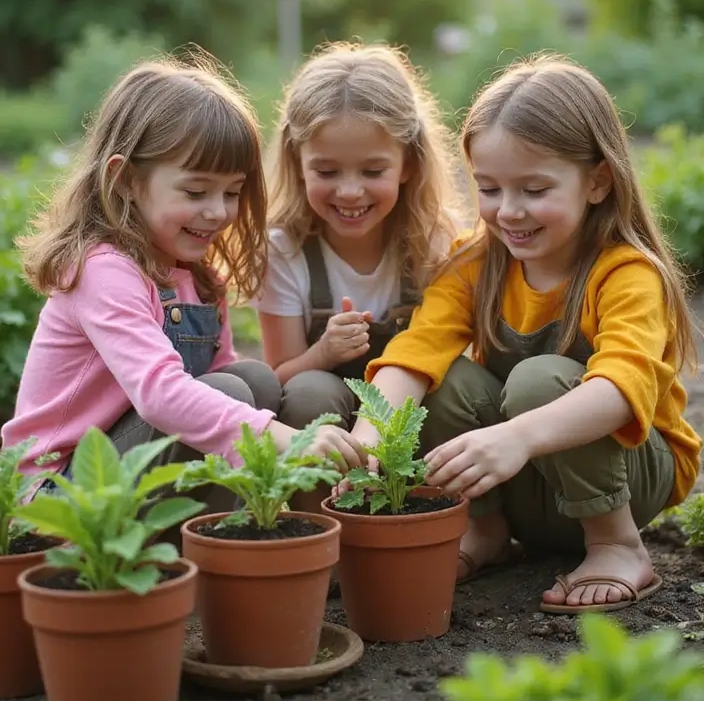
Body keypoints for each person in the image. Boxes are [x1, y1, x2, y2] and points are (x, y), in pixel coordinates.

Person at [351, 56, 702, 612]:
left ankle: (616, 545)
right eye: (489, 188)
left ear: (597, 182)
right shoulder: (475, 264)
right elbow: (417, 350)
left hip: (630, 481)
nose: (509, 211)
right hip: (525, 488)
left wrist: (517, 437)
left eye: (535, 189)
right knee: (442, 379)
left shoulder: (625, 274)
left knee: (539, 380)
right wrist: (369, 438)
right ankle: (485, 530)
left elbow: (622, 389)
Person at [3, 57, 364, 509]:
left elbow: (228, 382)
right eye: (195, 192)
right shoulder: (103, 270)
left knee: (251, 380)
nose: (217, 212)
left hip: (133, 465)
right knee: (229, 394)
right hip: (57, 492)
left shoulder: (198, 277)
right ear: (125, 180)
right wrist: (288, 439)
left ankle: (220, 535)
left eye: (231, 192)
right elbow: (160, 395)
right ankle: (197, 543)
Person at [252, 42, 461, 441]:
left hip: (411, 416)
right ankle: (321, 486)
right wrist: (324, 353)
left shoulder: (435, 243)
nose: (349, 192)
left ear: (408, 164)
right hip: (324, 426)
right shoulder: (283, 251)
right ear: (298, 163)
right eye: (327, 171)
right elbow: (276, 377)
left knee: (456, 382)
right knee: (309, 391)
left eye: (373, 171)